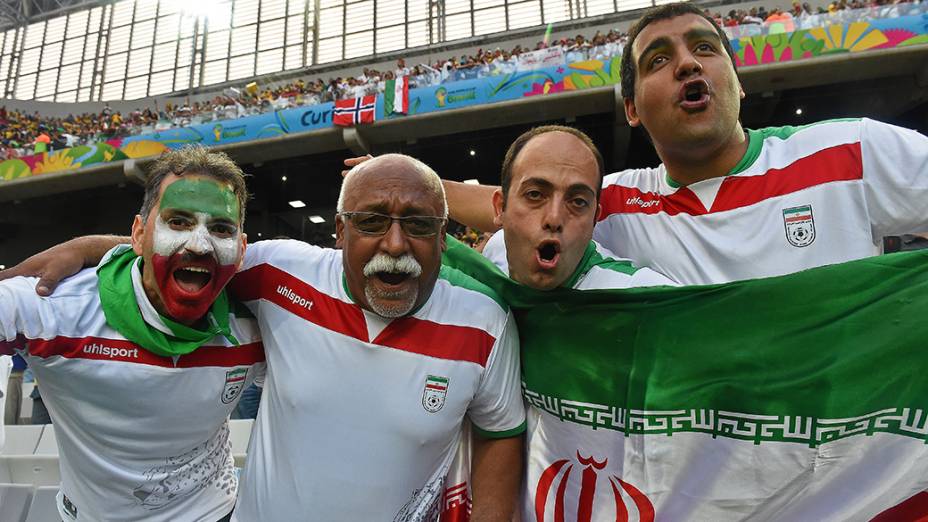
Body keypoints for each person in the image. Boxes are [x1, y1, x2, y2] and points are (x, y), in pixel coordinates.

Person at [3, 154, 526, 520]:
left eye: (417, 224)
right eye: (370, 221)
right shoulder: (281, 273)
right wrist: (89, 247)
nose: (395, 243)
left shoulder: (484, 322)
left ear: (444, 234)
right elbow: (192, 252)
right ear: (339, 232)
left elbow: (499, 430)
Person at [443, 2, 928, 286]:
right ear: (631, 109)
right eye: (658, 60)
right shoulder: (618, 204)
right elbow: (512, 208)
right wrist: (391, 175)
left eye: (704, 49)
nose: (688, 64)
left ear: (737, 83)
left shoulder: (852, 151)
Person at [0, 146, 265, 521]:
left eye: (220, 229)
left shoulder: (258, 322)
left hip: (215, 513)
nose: (200, 245)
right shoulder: (55, 305)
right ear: (139, 234)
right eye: (178, 222)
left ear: (240, 250)